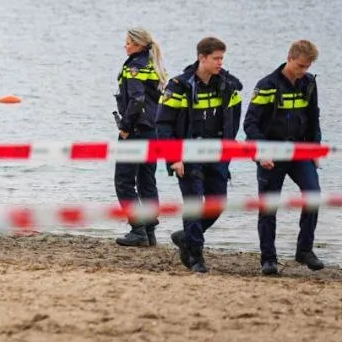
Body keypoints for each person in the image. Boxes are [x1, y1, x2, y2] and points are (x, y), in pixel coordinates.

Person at [155, 36, 242, 274]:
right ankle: (196, 257)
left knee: (217, 204)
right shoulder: (179, 85)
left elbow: (234, 120)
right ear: (201, 58)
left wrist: (228, 150)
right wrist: (174, 158)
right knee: (194, 204)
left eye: (222, 58)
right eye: (216, 58)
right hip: (187, 155)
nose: (220, 63)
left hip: (217, 154)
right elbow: (163, 126)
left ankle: (187, 237)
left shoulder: (229, 84)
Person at [244, 40, 325, 275]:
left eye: (307, 67)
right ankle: (268, 259)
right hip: (271, 153)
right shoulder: (266, 85)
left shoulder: (308, 84)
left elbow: (313, 120)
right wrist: (261, 152)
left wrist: (315, 149)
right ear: (289, 58)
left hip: (299, 152)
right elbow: (250, 123)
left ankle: (304, 250)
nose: (303, 71)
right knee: (268, 206)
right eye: (300, 66)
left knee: (314, 195)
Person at [113, 28, 166, 248]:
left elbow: (137, 99)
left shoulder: (134, 66)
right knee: (147, 180)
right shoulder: (154, 65)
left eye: (127, 43)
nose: (125, 46)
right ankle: (150, 231)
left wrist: (125, 127)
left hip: (135, 131)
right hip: (153, 130)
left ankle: (138, 230)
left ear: (138, 45)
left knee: (124, 182)